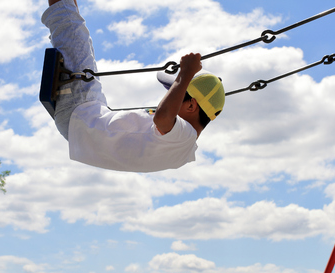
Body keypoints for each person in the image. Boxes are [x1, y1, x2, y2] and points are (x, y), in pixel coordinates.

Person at [42, 0, 225, 172]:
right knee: (77, 34)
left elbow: (162, 117)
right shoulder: (184, 152)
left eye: (175, 92)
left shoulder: (183, 135)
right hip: (86, 123)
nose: (170, 95)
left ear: (192, 105)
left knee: (70, 26)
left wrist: (185, 74)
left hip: (82, 115)